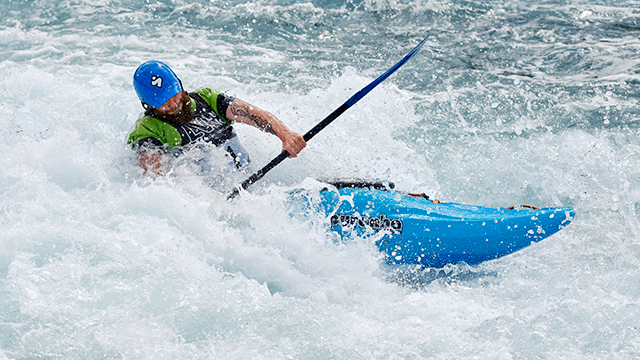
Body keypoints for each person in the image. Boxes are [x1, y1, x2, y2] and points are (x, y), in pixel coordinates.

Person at [127, 60, 306, 179]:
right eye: (162, 102)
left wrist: (285, 135)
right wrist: (205, 202)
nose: (173, 104)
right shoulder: (147, 130)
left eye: (173, 94)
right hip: (216, 204)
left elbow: (253, 114)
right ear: (148, 105)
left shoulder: (207, 98)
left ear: (179, 85)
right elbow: (156, 183)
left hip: (252, 185)